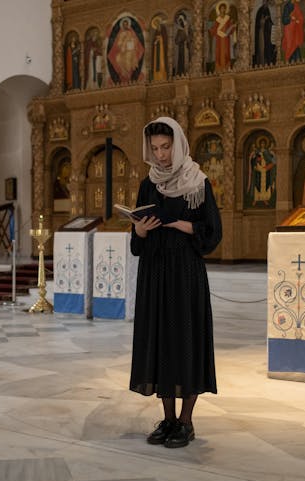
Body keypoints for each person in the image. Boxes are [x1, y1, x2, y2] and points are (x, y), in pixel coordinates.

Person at [129, 117, 222, 449]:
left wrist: (181, 224)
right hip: (155, 272)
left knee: (186, 341)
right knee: (160, 342)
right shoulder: (148, 184)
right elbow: (135, 244)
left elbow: (212, 233)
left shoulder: (198, 183)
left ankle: (186, 422)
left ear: (178, 144)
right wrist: (140, 230)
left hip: (185, 272)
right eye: (154, 149)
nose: (161, 155)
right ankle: (167, 419)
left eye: (165, 147)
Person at [209, 2, 236, 71]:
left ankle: (227, 67)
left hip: (226, 39)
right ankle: (219, 68)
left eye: (224, 8)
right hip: (219, 39)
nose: (222, 10)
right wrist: (210, 28)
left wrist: (233, 26)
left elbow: (231, 28)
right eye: (221, 8)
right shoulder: (217, 20)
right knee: (219, 52)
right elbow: (214, 30)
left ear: (225, 10)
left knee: (226, 52)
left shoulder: (227, 19)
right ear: (219, 10)